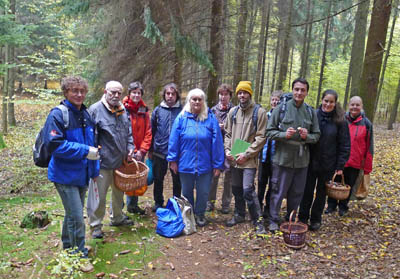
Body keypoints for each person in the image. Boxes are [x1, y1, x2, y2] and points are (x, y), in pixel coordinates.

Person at [44, 76, 99, 258]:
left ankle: (69, 248)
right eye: (74, 90)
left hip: (81, 175)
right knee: (77, 217)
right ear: (66, 92)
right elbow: (55, 145)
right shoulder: (58, 115)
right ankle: (78, 256)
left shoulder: (85, 114)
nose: (79, 94)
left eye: (82, 91)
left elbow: (93, 145)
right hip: (64, 175)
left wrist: (94, 170)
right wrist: (84, 151)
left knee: (71, 214)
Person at [266, 78, 320, 232]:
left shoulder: (310, 111)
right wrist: (284, 135)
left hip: (302, 160)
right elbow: (269, 132)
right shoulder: (281, 108)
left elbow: (316, 135)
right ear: (292, 90)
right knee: (278, 190)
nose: (299, 92)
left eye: (302, 90)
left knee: (297, 192)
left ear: (306, 92)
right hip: (282, 158)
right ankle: (273, 219)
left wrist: (307, 136)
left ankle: (290, 218)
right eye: (296, 89)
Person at [167, 88, 225, 227]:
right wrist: (173, 160)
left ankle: (200, 214)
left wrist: (217, 164)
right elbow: (174, 140)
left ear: (203, 101)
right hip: (185, 164)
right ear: (189, 101)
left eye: (200, 99)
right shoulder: (181, 118)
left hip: (205, 164)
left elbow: (217, 143)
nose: (197, 102)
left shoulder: (210, 119)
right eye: (194, 99)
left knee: (203, 192)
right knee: (186, 192)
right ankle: (189, 214)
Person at [89, 80, 135, 239]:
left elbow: (128, 132)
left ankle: (117, 217)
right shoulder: (95, 110)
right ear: (105, 92)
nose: (116, 96)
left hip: (120, 161)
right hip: (101, 163)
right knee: (99, 196)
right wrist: (93, 159)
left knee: (118, 193)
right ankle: (96, 225)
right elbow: (90, 137)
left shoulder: (122, 110)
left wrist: (130, 147)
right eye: (112, 92)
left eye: (118, 93)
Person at [298, 89, 350, 231]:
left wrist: (340, 165)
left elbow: (345, 144)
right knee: (307, 191)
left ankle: (316, 219)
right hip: (310, 161)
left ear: (335, 103)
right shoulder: (312, 115)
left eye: (331, 102)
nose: (328, 104)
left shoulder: (340, 121)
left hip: (329, 164)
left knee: (321, 194)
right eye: (326, 101)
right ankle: (302, 217)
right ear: (321, 100)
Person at [224, 81, 267, 235]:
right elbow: (228, 134)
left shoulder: (259, 112)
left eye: (245, 92)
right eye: (240, 93)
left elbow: (261, 137)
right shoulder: (233, 112)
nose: (242, 95)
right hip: (235, 158)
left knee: (247, 189)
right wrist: (227, 150)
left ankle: (258, 221)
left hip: (249, 159)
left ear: (250, 94)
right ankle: (239, 214)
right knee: (236, 188)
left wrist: (247, 153)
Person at [326, 96, 373, 216]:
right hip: (339, 159)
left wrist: (367, 166)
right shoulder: (341, 120)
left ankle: (343, 206)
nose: (354, 107)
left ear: (361, 106)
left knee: (348, 185)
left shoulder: (367, 124)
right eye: (352, 104)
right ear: (349, 105)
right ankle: (331, 206)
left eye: (357, 105)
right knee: (334, 182)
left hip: (355, 161)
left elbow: (369, 145)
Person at [150, 83, 182, 212]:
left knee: (177, 179)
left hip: (177, 152)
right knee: (158, 178)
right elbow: (152, 130)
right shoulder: (158, 110)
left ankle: (176, 202)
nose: (170, 96)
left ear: (176, 96)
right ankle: (158, 202)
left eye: (173, 94)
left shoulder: (182, 111)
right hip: (159, 150)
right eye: (168, 94)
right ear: (164, 95)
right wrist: (151, 149)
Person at [123, 81, 152, 215]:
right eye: (133, 92)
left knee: (137, 178)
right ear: (129, 94)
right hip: (125, 151)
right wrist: (130, 150)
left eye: (138, 93)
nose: (136, 95)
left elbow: (148, 132)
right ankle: (117, 208)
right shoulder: (122, 108)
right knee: (123, 179)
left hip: (140, 151)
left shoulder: (144, 110)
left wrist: (142, 150)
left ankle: (132, 205)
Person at [206, 84, 234, 214]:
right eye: (221, 94)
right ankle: (210, 202)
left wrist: (226, 127)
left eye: (226, 94)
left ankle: (226, 204)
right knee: (214, 175)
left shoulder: (235, 110)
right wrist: (216, 127)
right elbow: (207, 127)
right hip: (215, 148)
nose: (223, 97)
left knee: (229, 177)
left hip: (230, 147)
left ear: (230, 96)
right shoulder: (212, 110)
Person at [257, 90, 282, 218]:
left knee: (273, 185)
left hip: (276, 158)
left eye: (277, 100)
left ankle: (268, 208)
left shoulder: (283, 118)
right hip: (263, 156)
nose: (275, 102)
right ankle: (258, 208)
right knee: (261, 183)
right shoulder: (264, 116)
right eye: (273, 99)